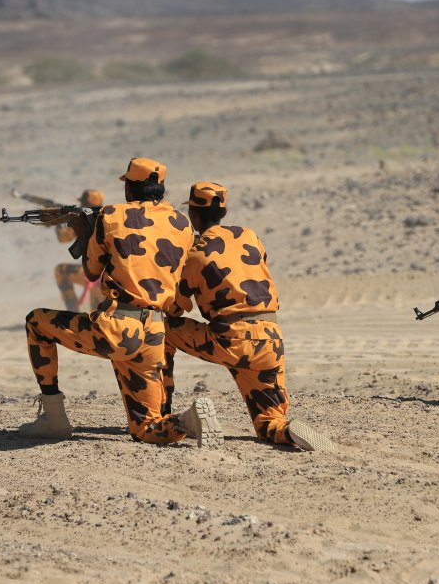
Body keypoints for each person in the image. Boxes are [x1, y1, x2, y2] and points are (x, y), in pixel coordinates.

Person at [20, 158, 222, 447]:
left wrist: (85, 231)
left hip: (116, 328)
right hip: (155, 332)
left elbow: (91, 272)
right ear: (160, 189)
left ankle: (53, 418)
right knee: (146, 429)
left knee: (37, 322)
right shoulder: (182, 223)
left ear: (130, 188)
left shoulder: (111, 216)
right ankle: (186, 421)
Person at [163, 182, 334, 451]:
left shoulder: (196, 255)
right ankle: (288, 432)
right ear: (223, 211)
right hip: (270, 338)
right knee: (269, 421)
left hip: (230, 338)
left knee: (161, 329)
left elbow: (174, 308)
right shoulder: (249, 236)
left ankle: (162, 413)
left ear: (193, 215)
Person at [54, 189, 105, 312]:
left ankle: (72, 312)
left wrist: (58, 220)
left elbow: (62, 237)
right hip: (114, 276)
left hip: (97, 278)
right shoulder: (108, 218)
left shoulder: (83, 222)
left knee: (61, 271)